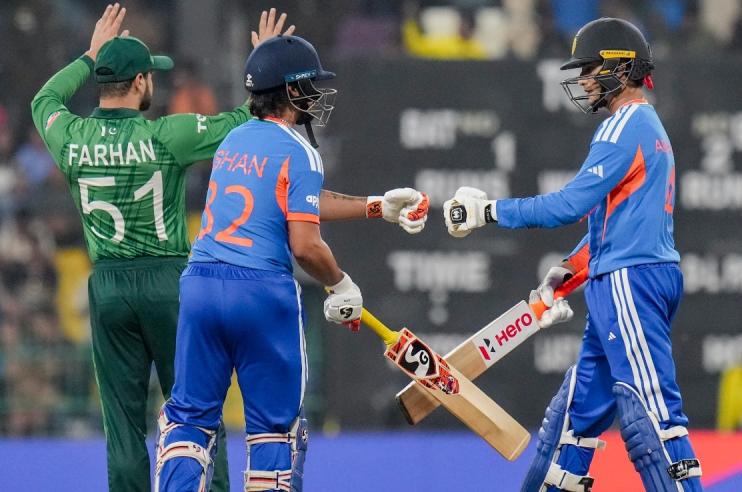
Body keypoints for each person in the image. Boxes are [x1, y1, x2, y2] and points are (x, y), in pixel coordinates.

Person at [30, 4, 296, 491]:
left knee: (122, 425)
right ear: (138, 83)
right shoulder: (167, 135)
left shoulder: (71, 138)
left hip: (108, 286)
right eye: (150, 74)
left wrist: (88, 56)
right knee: (198, 410)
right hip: (170, 282)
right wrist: (263, 68)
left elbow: (44, 99)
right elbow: (243, 120)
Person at [153, 35, 429, 491]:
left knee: (189, 421)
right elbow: (304, 245)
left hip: (200, 285)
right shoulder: (300, 151)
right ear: (292, 89)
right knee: (274, 431)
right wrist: (340, 282)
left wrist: (377, 206)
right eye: (311, 86)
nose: (317, 95)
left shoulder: (232, 140)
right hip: (260, 292)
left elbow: (291, 198)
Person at [443, 17, 703, 492]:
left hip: (629, 282)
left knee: (650, 416)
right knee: (573, 417)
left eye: (589, 68)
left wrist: (488, 211)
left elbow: (567, 205)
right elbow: (617, 222)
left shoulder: (623, 126)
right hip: (625, 277)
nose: (583, 81)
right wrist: (571, 269)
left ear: (620, 68)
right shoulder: (647, 126)